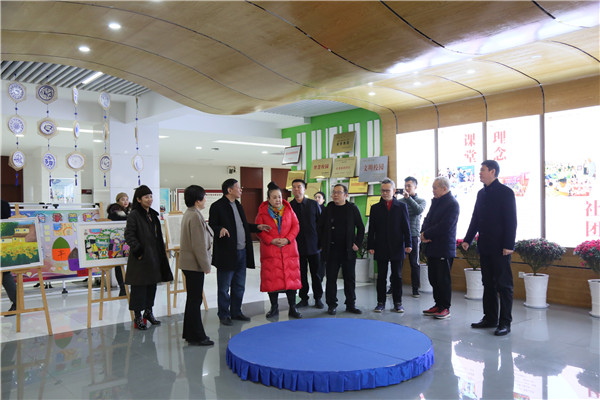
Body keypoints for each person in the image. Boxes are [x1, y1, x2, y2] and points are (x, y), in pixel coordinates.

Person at [462, 160, 517, 336]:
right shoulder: (481, 193)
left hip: (501, 247)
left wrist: (509, 245)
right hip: (485, 246)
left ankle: (505, 322)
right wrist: (468, 239)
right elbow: (476, 218)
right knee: (488, 283)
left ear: (492, 172)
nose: (480, 173)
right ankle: (490, 318)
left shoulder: (506, 192)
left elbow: (511, 220)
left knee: (504, 285)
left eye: (483, 170)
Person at [209, 179, 270, 326]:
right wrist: (220, 229)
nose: (241, 190)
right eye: (238, 187)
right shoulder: (217, 206)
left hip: (242, 252)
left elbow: (243, 225)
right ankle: (224, 314)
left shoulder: (238, 205)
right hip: (227, 253)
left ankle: (236, 311)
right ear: (229, 190)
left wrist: (257, 227)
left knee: (239, 285)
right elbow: (211, 225)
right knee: (224, 287)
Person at [124, 185, 173, 330]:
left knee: (152, 286)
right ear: (139, 199)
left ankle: (148, 312)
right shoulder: (134, 215)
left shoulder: (153, 215)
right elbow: (129, 235)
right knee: (139, 288)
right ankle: (137, 317)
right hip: (140, 258)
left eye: (151, 196)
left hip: (154, 257)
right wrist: (139, 251)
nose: (150, 199)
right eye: (146, 197)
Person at [256, 182, 303, 319]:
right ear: (268, 199)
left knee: (291, 280)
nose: (278, 200)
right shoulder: (262, 212)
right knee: (272, 280)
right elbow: (259, 230)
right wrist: (271, 240)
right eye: (274, 197)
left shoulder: (288, 209)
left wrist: (288, 239)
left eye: (280, 197)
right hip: (271, 250)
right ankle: (274, 308)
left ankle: (293, 308)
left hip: (289, 250)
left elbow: (296, 226)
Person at [367, 178, 412, 313]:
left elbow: (406, 227)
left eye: (387, 190)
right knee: (381, 276)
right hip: (380, 246)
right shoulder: (375, 208)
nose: (385, 193)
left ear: (394, 191)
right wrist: (370, 245)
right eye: (383, 191)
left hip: (397, 246)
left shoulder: (401, 207)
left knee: (397, 276)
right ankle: (380, 302)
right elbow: (372, 229)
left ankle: (398, 303)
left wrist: (408, 243)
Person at [319, 184, 365, 315]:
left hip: (348, 249)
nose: (335, 195)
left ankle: (351, 304)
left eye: (338, 192)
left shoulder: (352, 208)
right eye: (334, 192)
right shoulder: (328, 208)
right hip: (332, 249)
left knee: (349, 278)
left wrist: (357, 243)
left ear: (346, 195)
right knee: (331, 278)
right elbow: (320, 227)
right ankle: (331, 304)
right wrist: (322, 244)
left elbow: (361, 227)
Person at [420, 176, 459, 320]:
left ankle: (445, 307)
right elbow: (427, 219)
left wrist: (427, 234)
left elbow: (445, 225)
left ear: (444, 188)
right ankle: (437, 304)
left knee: (443, 280)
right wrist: (423, 233)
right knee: (433, 278)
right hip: (432, 247)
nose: (433, 190)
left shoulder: (452, 204)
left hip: (444, 248)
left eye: (435, 188)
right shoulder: (435, 202)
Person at [179, 185, 214, 346]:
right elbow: (198, 245)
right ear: (197, 200)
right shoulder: (194, 216)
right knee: (195, 300)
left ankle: (190, 333)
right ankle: (198, 336)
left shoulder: (190, 213)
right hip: (194, 265)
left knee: (192, 299)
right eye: (204, 196)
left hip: (189, 264)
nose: (206, 199)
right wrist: (206, 265)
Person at [290, 179, 324, 309]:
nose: (296, 189)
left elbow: (321, 224)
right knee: (301, 274)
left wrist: (321, 243)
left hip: (314, 246)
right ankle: (303, 298)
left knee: (316, 274)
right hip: (296, 247)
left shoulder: (313, 204)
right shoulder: (289, 206)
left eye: (299, 187)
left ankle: (318, 298)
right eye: (294, 187)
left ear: (304, 189)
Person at [398, 176, 427, 297]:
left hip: (414, 235)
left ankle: (415, 289)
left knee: (414, 263)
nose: (407, 188)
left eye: (409, 186)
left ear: (415, 187)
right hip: (400, 235)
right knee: (398, 262)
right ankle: (394, 287)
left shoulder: (421, 201)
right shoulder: (400, 202)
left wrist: (408, 198)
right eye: (405, 186)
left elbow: (418, 210)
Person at [106, 192, 131, 296]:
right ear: (117, 201)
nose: (125, 201)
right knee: (119, 265)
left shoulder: (133, 211)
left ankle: (131, 285)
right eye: (122, 199)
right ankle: (122, 287)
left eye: (127, 199)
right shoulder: (113, 212)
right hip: (117, 242)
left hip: (130, 241)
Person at [1, 199, 17, 316]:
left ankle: (17, 304)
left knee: (5, 275)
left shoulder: (3, 204)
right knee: (6, 274)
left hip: (3, 242)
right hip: (5, 242)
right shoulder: (4, 203)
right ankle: (17, 303)